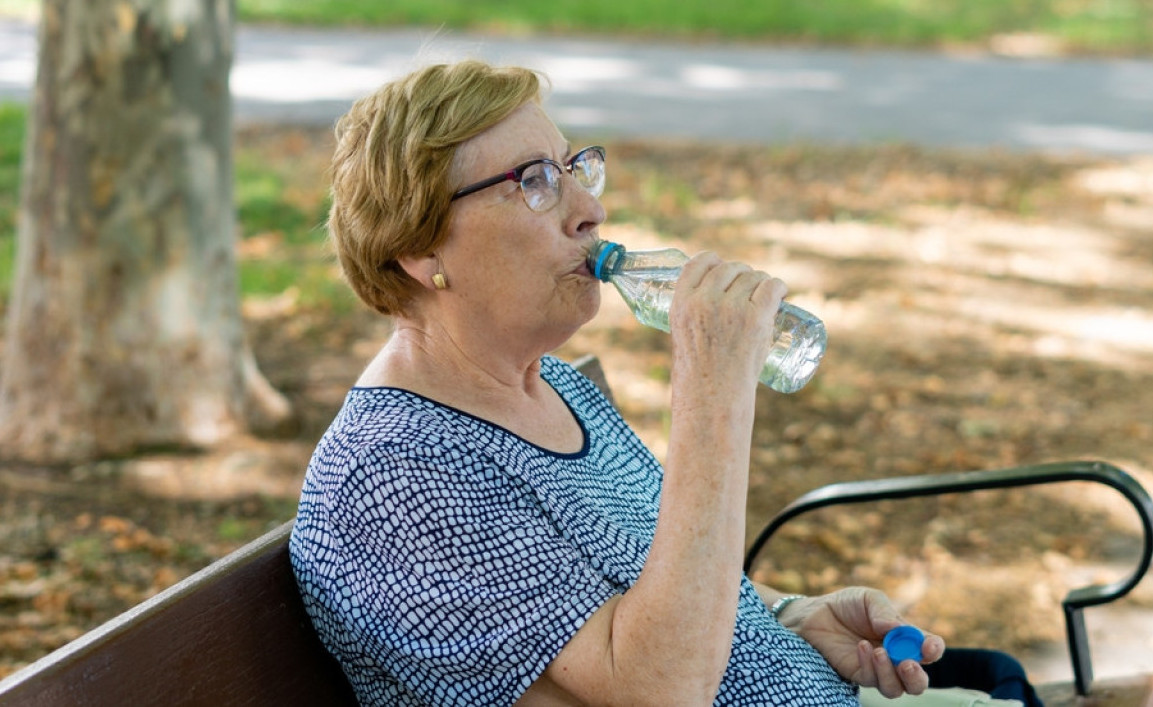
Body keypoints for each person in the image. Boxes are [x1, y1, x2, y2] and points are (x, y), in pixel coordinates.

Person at [289, 59, 1007, 706]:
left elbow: (634, 591)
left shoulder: (556, 387)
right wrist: (713, 392)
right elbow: (655, 693)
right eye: (533, 181)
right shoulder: (395, 476)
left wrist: (790, 616)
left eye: (574, 167)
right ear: (418, 246)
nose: (589, 209)